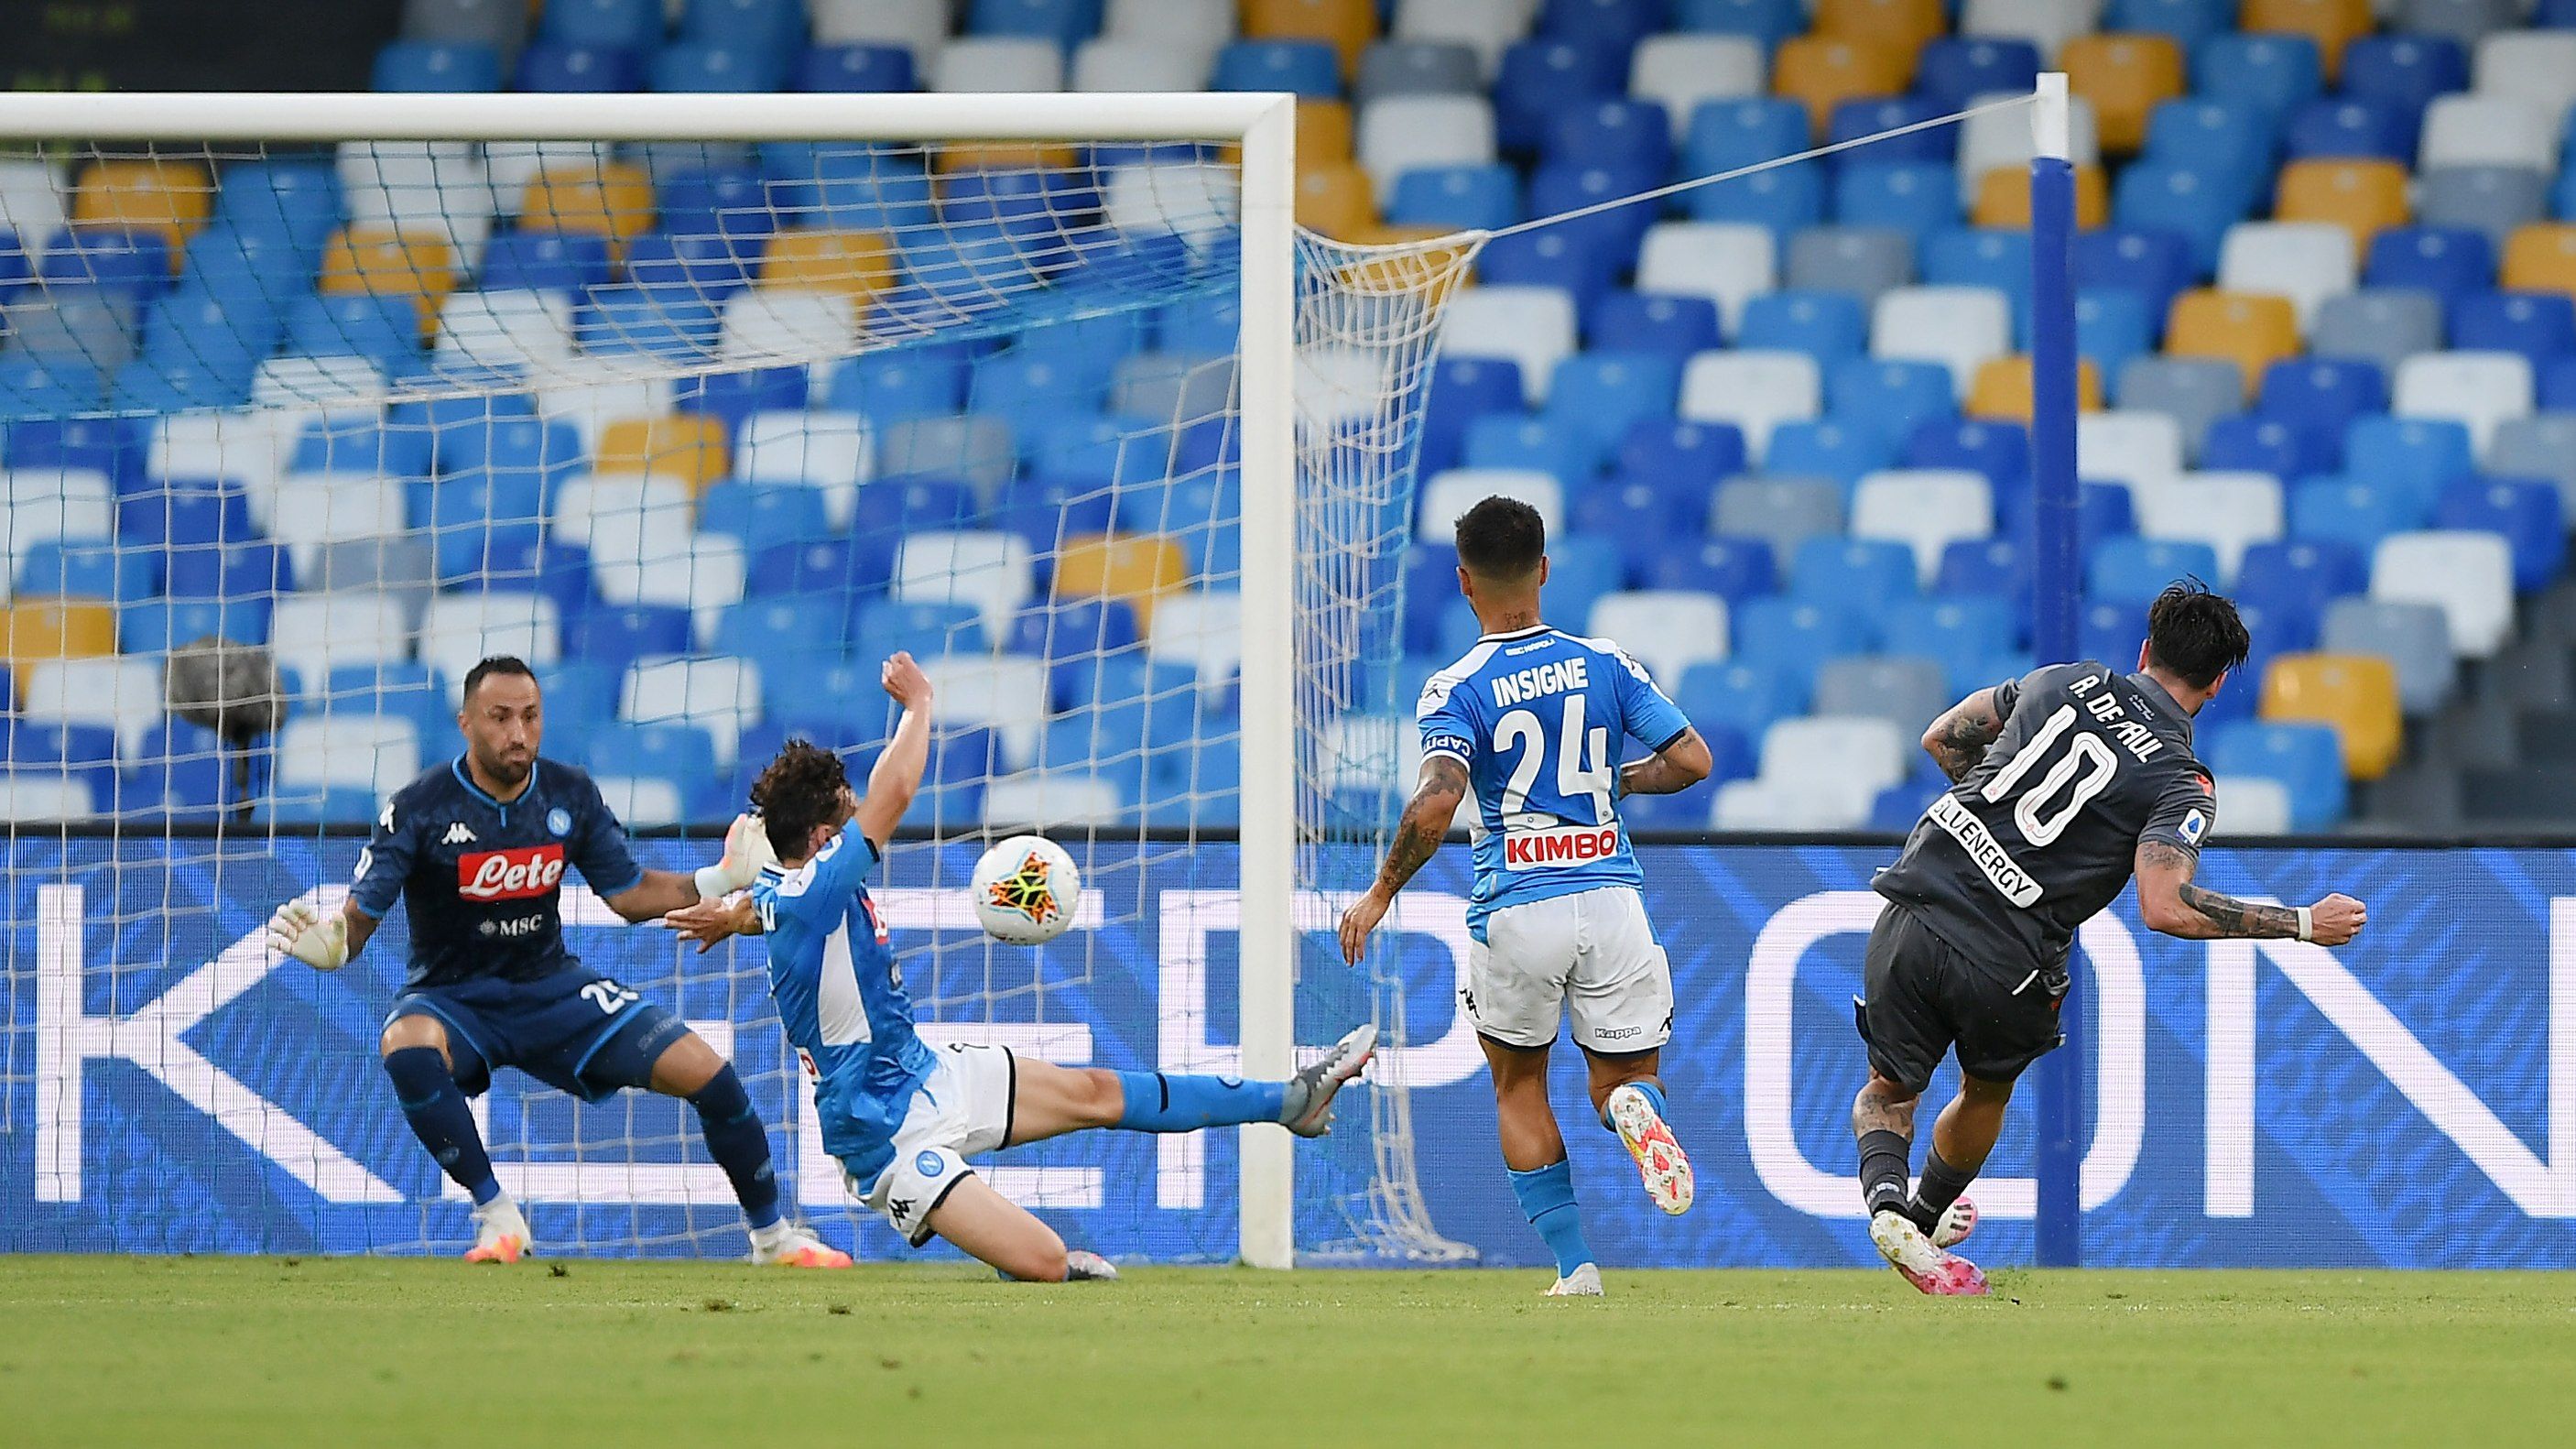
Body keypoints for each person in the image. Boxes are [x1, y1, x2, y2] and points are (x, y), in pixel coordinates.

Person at [662, 651, 1378, 1281]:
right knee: (1043, 1262)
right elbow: (896, 794)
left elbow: (776, 907)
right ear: (822, 837)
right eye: (844, 821)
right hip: (883, 1131)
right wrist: (921, 706)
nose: (859, 826)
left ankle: (1288, 1101)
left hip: (923, 1071)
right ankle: (1016, 1253)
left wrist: (733, 914)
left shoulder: (792, 892)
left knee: (1097, 1091)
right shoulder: (814, 886)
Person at [1855, 582, 2368, 1294]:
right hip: (2009, 955)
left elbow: (1942, 736)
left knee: (1888, 1091)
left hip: (1918, 898)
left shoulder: (2061, 680)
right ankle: (1922, 1214)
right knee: (1982, 1094)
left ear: (2143, 650)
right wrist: (2303, 924)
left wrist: (1992, 831)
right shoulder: (2180, 781)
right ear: (2217, 685)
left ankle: (1885, 1202)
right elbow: (2165, 907)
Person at [266, 656, 848, 1269]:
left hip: (552, 991)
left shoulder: (568, 792)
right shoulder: (419, 807)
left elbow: (627, 895)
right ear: (466, 723)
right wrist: (333, 947)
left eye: (530, 716)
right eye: (500, 718)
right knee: (405, 1045)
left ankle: (773, 1239)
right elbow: (356, 925)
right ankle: (497, 1216)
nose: (517, 733)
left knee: (711, 1076)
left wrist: (720, 877)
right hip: (454, 1000)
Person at [1335, 496, 1715, 1297]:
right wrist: (1615, 780)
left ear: (1464, 581)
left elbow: (1438, 802)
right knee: (1622, 1078)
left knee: (1519, 1085)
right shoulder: (1604, 662)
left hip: (1516, 902)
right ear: (1543, 570)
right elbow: (1691, 761)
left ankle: (1575, 1267)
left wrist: (1379, 893)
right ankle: (1633, 1112)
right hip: (1610, 897)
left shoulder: (1455, 687)